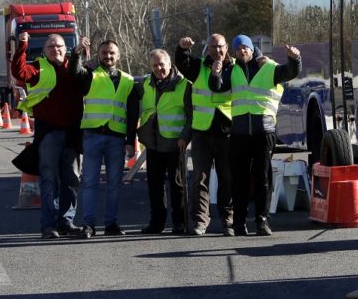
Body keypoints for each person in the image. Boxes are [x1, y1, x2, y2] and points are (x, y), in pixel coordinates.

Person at [210, 35, 301, 236]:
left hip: (264, 132)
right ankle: (240, 223)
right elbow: (217, 87)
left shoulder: (267, 67)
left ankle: (262, 221)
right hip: (239, 134)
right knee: (239, 180)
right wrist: (215, 74)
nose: (241, 51)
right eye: (237, 49)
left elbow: (289, 72)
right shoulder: (232, 70)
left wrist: (294, 59)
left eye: (244, 47)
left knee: (263, 179)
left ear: (252, 49)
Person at [11, 32, 84, 239]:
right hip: (49, 133)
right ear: (44, 51)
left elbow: (88, 81)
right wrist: (22, 45)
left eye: (59, 46)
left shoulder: (75, 67)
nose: (56, 49)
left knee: (71, 179)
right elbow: (19, 71)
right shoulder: (38, 67)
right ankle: (49, 225)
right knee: (49, 180)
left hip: (73, 133)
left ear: (66, 48)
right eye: (51, 47)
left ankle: (67, 222)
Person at [71, 37, 138, 239]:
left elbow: (133, 113)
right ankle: (88, 224)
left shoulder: (128, 80)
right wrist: (77, 53)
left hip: (116, 138)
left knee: (114, 183)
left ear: (118, 56)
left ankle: (111, 223)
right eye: (104, 53)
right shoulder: (90, 75)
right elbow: (74, 72)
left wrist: (130, 141)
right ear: (98, 55)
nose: (107, 56)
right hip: (92, 135)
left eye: (111, 53)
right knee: (89, 182)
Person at [174, 34, 235, 236]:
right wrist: (182, 49)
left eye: (220, 47)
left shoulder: (235, 69)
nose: (217, 51)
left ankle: (228, 220)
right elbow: (182, 63)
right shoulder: (198, 66)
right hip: (201, 132)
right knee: (200, 179)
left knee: (227, 178)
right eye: (212, 47)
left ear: (226, 47)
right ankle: (200, 220)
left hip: (227, 132)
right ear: (207, 48)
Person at [136, 49, 192, 235]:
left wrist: (185, 136)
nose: (159, 68)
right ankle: (157, 223)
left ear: (169, 64)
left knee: (177, 185)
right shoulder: (145, 84)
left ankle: (179, 223)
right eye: (154, 65)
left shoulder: (184, 85)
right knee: (154, 185)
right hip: (153, 143)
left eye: (162, 64)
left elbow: (191, 114)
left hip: (176, 143)